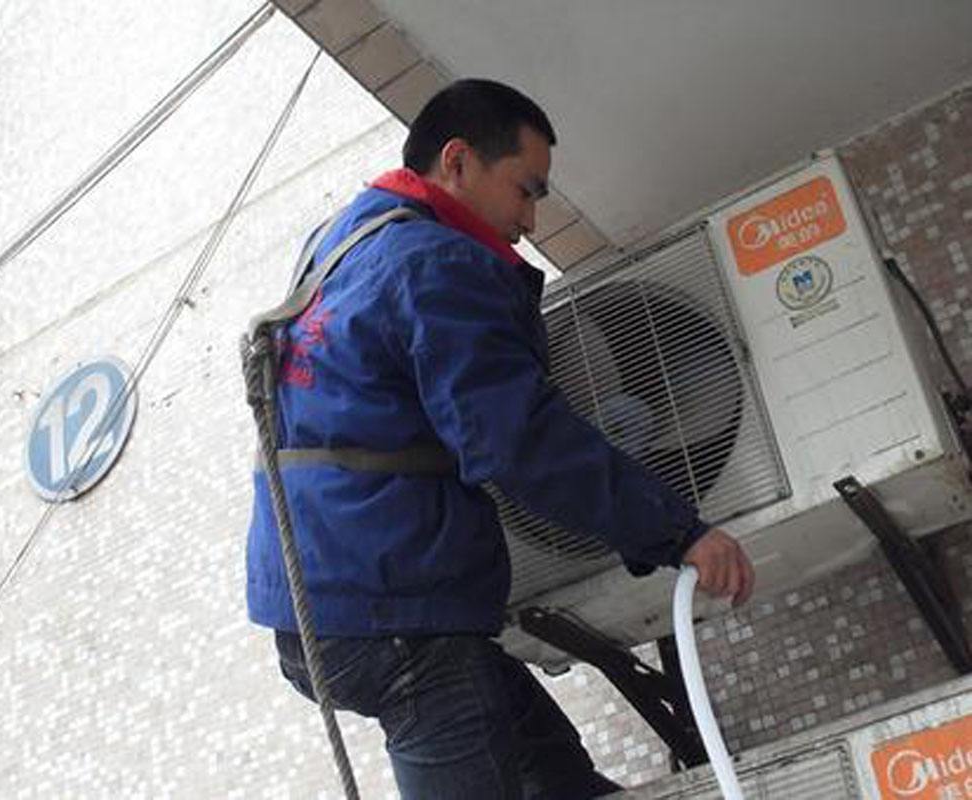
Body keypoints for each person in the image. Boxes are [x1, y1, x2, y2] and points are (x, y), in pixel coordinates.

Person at [246, 78, 754, 799]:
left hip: (321, 600)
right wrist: (680, 533)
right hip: (395, 613)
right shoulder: (434, 263)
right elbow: (521, 441)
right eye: (526, 190)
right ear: (457, 161)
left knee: (552, 772)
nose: (531, 219)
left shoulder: (342, 242)